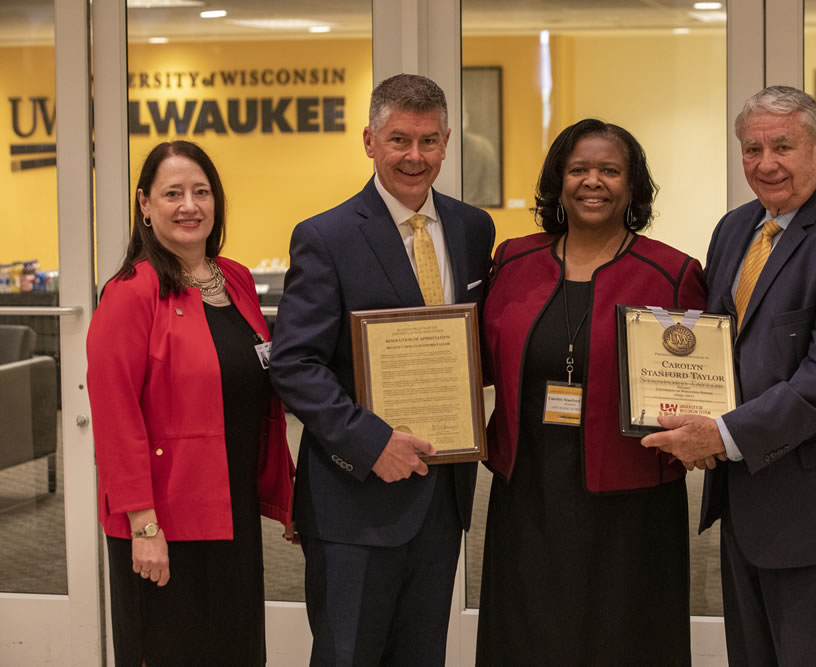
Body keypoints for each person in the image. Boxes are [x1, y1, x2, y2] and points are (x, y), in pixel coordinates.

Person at [641, 86, 816, 666]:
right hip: (749, 498)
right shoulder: (736, 229)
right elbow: (717, 346)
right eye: (752, 149)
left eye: (782, 146)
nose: (765, 163)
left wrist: (719, 435)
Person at [268, 74, 495, 666]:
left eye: (427, 141)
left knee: (423, 656)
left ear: (447, 142)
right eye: (399, 140)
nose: (414, 157)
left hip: (442, 496)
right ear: (369, 141)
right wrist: (373, 444)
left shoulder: (473, 229)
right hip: (354, 500)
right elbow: (295, 363)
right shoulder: (325, 236)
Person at [476, 118, 707, 666]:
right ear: (559, 181)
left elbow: (697, 385)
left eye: (609, 170)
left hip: (631, 503)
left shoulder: (672, 274)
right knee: (527, 638)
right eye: (578, 169)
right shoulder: (512, 261)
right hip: (528, 492)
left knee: (624, 639)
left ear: (632, 185)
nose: (593, 181)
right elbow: (477, 359)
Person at [87, 140, 295, 666]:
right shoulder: (131, 292)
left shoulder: (237, 279)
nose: (190, 206)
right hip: (165, 521)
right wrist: (144, 527)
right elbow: (116, 419)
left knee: (237, 649)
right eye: (173, 193)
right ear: (145, 205)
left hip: (231, 511)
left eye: (201, 192)